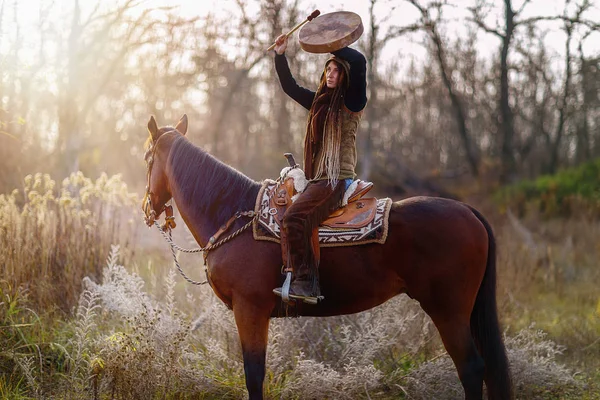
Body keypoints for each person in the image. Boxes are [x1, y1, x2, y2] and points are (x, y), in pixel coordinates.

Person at [272, 33, 367, 304]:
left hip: (335, 179)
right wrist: (280, 55)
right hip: (318, 180)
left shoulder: (352, 103)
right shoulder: (318, 103)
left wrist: (329, 43)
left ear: (345, 75)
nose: (331, 73)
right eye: (328, 68)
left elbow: (358, 60)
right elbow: (289, 87)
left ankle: (306, 284)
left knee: (293, 218)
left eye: (337, 69)